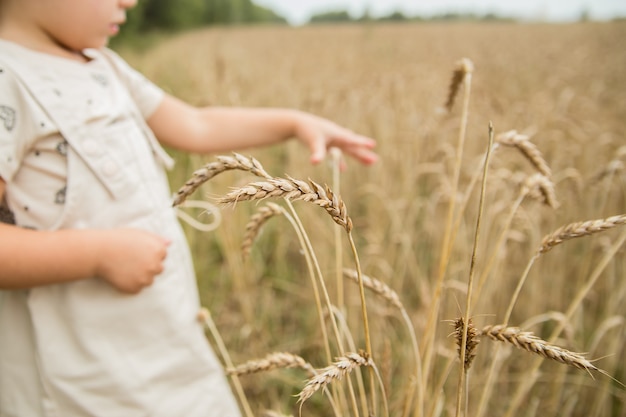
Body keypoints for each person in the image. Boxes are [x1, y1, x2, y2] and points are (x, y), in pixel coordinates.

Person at [0, 0, 378, 415]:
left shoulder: (102, 64)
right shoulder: (8, 79)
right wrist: (97, 255)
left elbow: (194, 123)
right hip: (79, 376)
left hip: (159, 336)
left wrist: (293, 122)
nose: (130, 2)